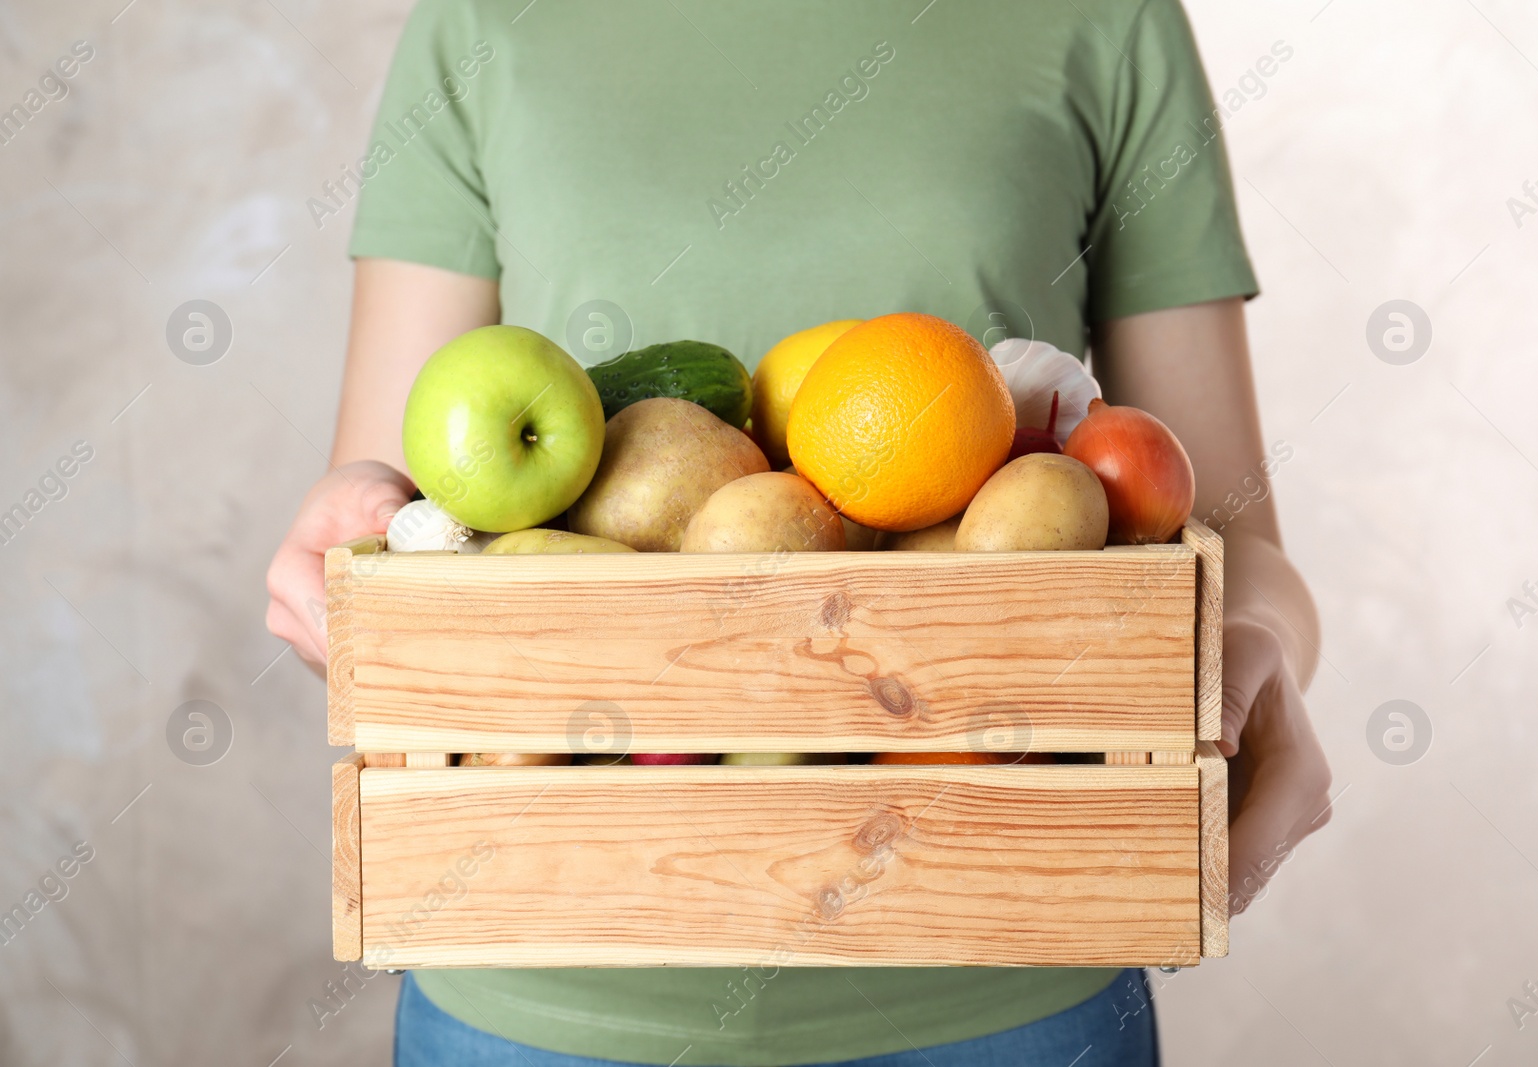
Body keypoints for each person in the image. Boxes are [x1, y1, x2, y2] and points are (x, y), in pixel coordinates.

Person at [266, 1, 1332, 1063]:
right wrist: (342, 551)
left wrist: (1260, 652)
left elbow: (1231, 543)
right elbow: (394, 519)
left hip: (1002, 978)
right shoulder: (478, 20)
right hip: (541, 995)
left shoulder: (1106, 18)